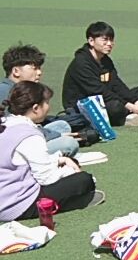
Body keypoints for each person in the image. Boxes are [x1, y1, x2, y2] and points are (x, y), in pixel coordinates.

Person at [0, 82, 100, 222]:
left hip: (5, 195)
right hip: (15, 205)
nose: (48, 107)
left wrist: (59, 160)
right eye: (46, 102)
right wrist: (69, 172)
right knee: (84, 180)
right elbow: (46, 178)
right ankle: (71, 203)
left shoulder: (5, 123)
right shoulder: (30, 135)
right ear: (36, 108)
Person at [61, 21, 138, 127]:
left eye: (111, 40)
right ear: (91, 41)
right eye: (105, 40)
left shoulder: (105, 60)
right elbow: (98, 91)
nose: (109, 44)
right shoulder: (81, 63)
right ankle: (128, 116)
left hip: (104, 98)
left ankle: (129, 115)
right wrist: (130, 106)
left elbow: (116, 84)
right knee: (116, 106)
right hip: (83, 104)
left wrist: (136, 102)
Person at [1, 44, 78, 157]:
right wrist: (55, 136)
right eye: (34, 68)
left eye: (39, 68)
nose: (39, 72)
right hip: (13, 146)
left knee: (62, 125)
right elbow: (16, 129)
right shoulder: (6, 92)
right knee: (69, 143)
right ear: (16, 71)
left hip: (25, 135)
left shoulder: (18, 89)